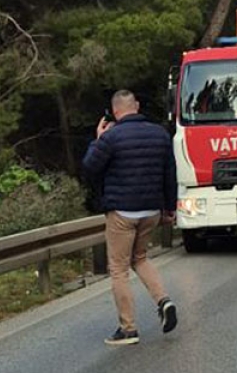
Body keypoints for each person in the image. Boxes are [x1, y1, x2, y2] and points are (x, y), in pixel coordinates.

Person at [82, 90, 179, 346]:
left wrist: (98, 139)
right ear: (136, 106)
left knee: (119, 269)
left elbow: (90, 167)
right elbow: (170, 173)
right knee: (140, 257)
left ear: (115, 112)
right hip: (151, 211)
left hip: (122, 212)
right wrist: (170, 208)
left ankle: (128, 329)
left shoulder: (111, 137)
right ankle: (164, 300)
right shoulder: (160, 134)